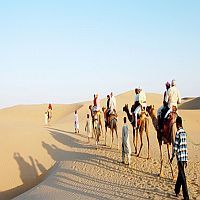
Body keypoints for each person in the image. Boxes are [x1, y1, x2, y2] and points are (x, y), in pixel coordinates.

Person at [170, 116, 189, 200]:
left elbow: (176, 146)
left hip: (180, 158)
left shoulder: (178, 133)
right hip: (184, 157)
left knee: (183, 176)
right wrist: (187, 159)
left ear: (177, 124)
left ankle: (186, 196)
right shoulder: (184, 132)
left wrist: (172, 156)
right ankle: (177, 190)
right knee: (180, 175)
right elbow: (185, 146)